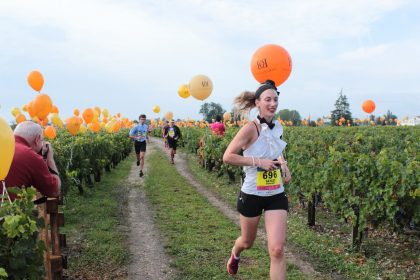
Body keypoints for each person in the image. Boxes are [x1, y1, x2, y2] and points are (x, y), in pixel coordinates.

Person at [222, 80, 292, 279]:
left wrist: (283, 164)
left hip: (275, 194)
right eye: (268, 99)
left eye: (275, 100)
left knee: (277, 249)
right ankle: (235, 254)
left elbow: (274, 150)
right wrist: (258, 162)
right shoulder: (250, 128)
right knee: (247, 241)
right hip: (252, 193)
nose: (273, 103)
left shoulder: (277, 126)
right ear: (258, 103)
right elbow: (228, 156)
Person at [2, 121, 61, 202]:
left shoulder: (4, 144)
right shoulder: (31, 156)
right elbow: (54, 191)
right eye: (42, 140)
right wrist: (50, 159)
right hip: (6, 212)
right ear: (37, 139)